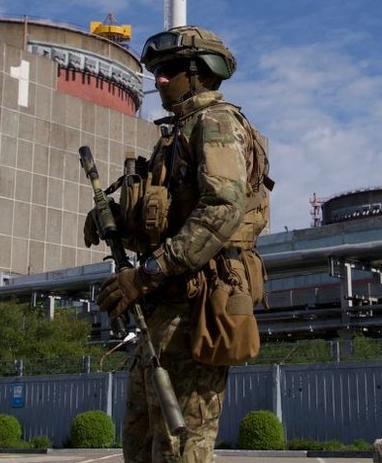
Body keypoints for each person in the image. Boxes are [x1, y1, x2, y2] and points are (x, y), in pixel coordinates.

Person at [85, 26, 271, 462]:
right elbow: (168, 224)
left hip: (198, 308)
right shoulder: (177, 135)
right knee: (141, 441)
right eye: (157, 71)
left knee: (180, 446)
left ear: (200, 73)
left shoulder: (216, 123)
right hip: (165, 307)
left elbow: (221, 211)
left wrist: (145, 274)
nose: (159, 80)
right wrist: (115, 222)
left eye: (169, 70)